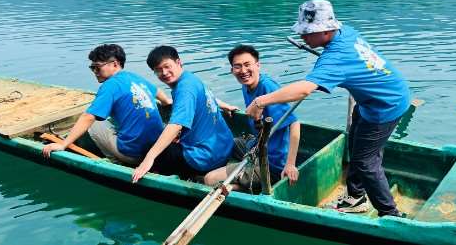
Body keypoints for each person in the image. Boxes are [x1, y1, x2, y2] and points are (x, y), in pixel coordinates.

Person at [246, 0, 411, 217]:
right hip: (374, 99)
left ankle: (390, 214)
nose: (302, 37)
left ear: (325, 31)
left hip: (386, 105)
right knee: (355, 143)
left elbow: (304, 89)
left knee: (365, 161)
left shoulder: (335, 58)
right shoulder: (346, 32)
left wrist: (260, 101)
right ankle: (356, 196)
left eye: (307, 32)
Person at [42, 44, 168, 166]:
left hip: (134, 155)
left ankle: (117, 161)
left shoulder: (110, 86)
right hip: (159, 149)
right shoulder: (134, 76)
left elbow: (88, 117)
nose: (95, 72)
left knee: (94, 123)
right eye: (92, 68)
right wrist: (167, 103)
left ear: (114, 64)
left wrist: (64, 144)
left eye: (98, 67)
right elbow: (159, 92)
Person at [132, 46, 237, 183]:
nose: (164, 72)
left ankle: (181, 178)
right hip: (225, 148)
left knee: (149, 147)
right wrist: (224, 105)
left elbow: (176, 124)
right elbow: (201, 95)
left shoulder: (184, 89)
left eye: (167, 66)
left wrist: (149, 158)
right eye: (158, 70)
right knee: (167, 139)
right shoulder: (190, 78)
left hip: (206, 158)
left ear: (178, 62)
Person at [204, 45, 301, 190]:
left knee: (209, 179)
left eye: (247, 65)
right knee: (226, 142)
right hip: (258, 145)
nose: (243, 71)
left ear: (258, 65)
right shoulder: (247, 85)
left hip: (272, 163)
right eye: (237, 66)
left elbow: (294, 123)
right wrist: (225, 106)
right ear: (232, 70)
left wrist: (290, 164)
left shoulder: (267, 87)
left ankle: (250, 187)